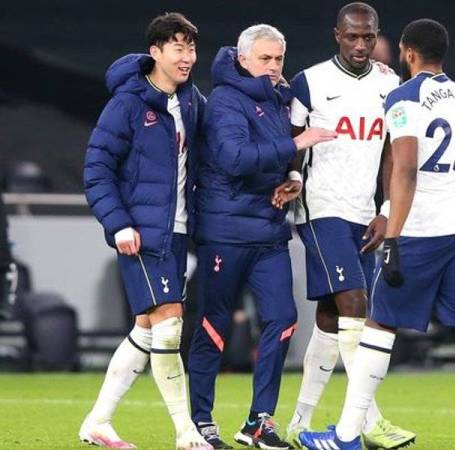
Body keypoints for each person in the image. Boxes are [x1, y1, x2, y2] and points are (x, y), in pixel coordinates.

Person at [299, 18, 455, 450]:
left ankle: (344, 436)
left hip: (421, 229)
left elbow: (404, 169)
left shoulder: (403, 97)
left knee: (378, 325)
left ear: (408, 52)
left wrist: (393, 235)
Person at [187, 24, 336, 450]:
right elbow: (233, 159)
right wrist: (296, 146)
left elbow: (276, 154)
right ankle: (201, 421)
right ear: (243, 59)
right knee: (215, 326)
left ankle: (258, 421)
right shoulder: (225, 100)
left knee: (283, 319)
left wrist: (291, 177)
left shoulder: (275, 99)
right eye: (265, 59)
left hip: (269, 230)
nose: (273, 67)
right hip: (226, 232)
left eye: (278, 59)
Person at [280, 3, 416, 449]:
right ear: (336, 34)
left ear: (377, 35)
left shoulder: (389, 84)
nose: (361, 45)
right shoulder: (310, 81)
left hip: (364, 212)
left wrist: (385, 208)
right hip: (321, 209)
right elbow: (292, 143)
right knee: (357, 304)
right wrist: (295, 178)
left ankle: (299, 421)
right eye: (352, 36)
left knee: (331, 316)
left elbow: (393, 152)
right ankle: (367, 422)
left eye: (368, 37)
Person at [81, 12, 211, 450]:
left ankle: (99, 421)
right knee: (170, 326)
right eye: (178, 47)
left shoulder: (190, 99)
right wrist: (117, 224)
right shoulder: (128, 102)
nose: (187, 57)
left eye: (191, 48)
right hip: (140, 231)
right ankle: (185, 432)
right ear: (155, 52)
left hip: (175, 232)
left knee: (147, 328)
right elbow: (97, 168)